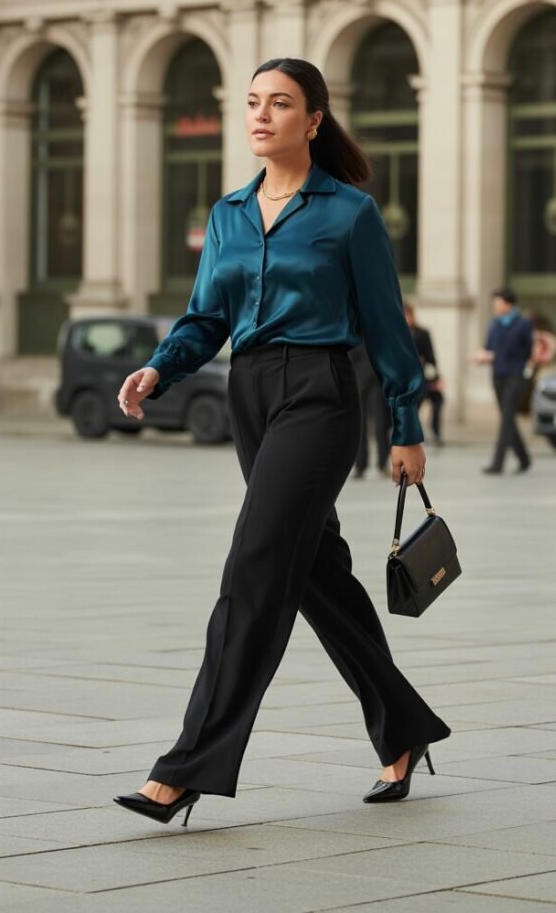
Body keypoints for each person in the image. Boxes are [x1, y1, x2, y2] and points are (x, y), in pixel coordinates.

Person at [114, 57, 450, 827]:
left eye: (281, 103)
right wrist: (158, 369)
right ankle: (401, 728)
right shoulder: (230, 212)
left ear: (314, 120)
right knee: (314, 574)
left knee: (256, 567)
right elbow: (206, 318)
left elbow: (386, 327)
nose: (261, 115)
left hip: (321, 398)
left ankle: (188, 764)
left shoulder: (349, 213)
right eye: (252, 103)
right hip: (251, 394)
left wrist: (406, 427)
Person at [472, 287, 533, 475]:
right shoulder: (494, 324)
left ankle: (497, 463)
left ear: (507, 304)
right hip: (497, 375)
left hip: (515, 376)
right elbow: (489, 347)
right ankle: (524, 458)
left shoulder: (523, 323)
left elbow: (528, 350)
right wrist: (483, 356)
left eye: (497, 303)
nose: (495, 307)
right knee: (508, 419)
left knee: (506, 419)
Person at [404, 303, 444, 446]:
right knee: (413, 405)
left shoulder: (422, 333)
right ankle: (409, 433)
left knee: (438, 399)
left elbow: (431, 356)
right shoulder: (397, 333)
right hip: (406, 379)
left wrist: (437, 378)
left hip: (424, 376)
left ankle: (435, 431)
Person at [350, 345, 391, 478]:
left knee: (380, 425)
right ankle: (360, 465)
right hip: (359, 383)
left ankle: (382, 463)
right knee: (360, 426)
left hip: (376, 384)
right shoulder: (353, 328)